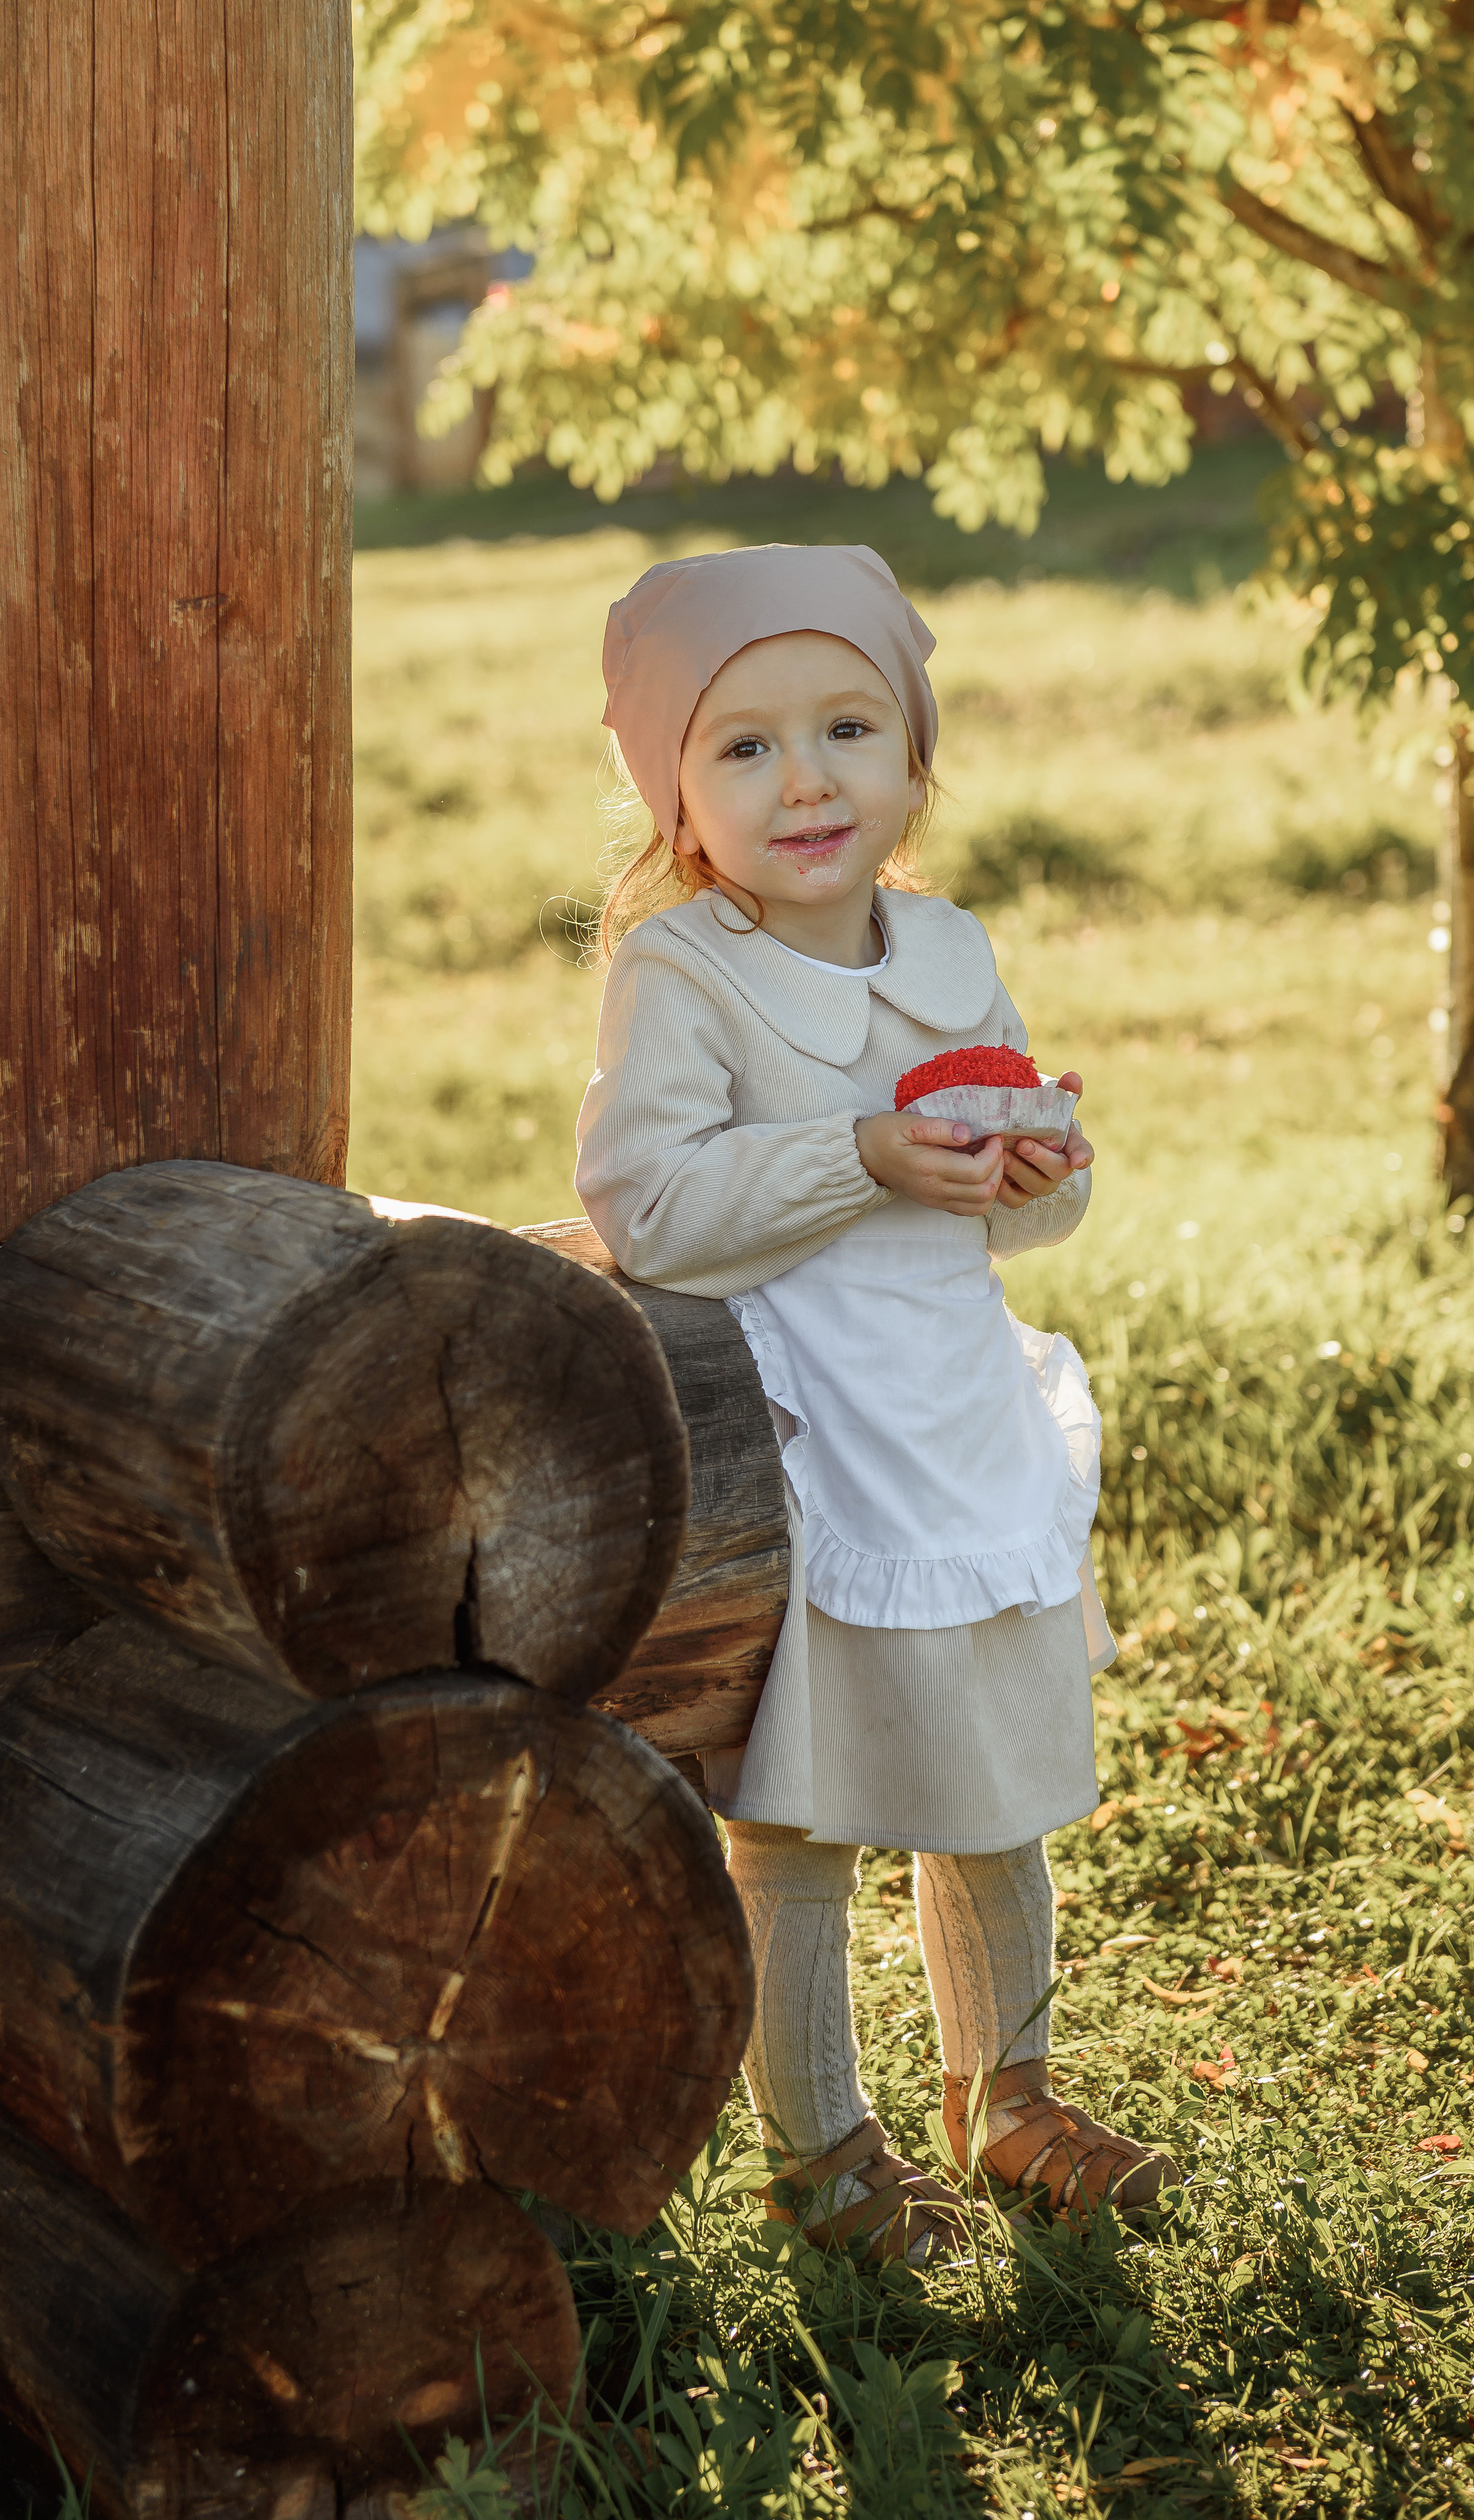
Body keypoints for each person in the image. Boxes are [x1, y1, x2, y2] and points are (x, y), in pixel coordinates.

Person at [576, 542, 1176, 2263]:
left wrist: (1040, 1163)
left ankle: (1016, 2100)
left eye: (847, 724)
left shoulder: (951, 946)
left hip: (959, 1420)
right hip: (805, 1453)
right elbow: (652, 1205)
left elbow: (1024, 1198)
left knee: (993, 1784)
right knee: (806, 1821)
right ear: (677, 796)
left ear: (915, 757)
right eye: (743, 744)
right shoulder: (690, 974)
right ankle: (825, 2157)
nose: (808, 775)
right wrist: (854, 1152)